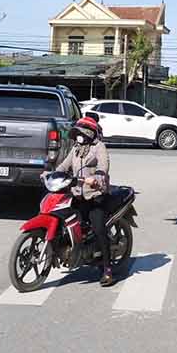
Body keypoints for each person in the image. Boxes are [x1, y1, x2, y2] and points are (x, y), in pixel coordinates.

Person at [56, 115, 115, 286]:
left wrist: (97, 178)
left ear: (89, 133)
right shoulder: (76, 148)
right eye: (77, 133)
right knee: (65, 219)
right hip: (77, 196)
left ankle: (107, 269)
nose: (79, 136)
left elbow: (104, 166)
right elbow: (63, 166)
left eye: (81, 132)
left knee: (98, 228)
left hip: (96, 196)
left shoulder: (99, 147)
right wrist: (51, 173)